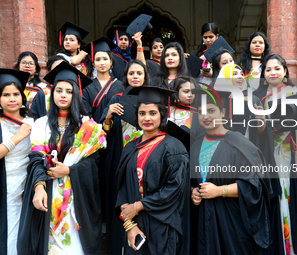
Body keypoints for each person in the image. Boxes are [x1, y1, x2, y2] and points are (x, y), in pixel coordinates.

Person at [17, 62, 105, 255]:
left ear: (76, 95)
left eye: (69, 91)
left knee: (74, 246)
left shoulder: (87, 126)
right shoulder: (41, 124)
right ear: (52, 93)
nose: (63, 95)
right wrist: (39, 186)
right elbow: (36, 158)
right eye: (59, 90)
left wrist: (69, 170)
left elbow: (93, 163)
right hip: (49, 192)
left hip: (78, 197)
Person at [190, 87, 270, 255]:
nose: (206, 116)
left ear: (223, 112)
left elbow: (253, 185)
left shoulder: (239, 143)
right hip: (203, 222)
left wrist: (219, 191)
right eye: (201, 111)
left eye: (211, 110)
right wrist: (192, 192)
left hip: (231, 223)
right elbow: (190, 182)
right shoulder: (195, 145)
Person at [115, 86, 189, 254]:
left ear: (162, 115)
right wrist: (129, 225)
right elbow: (122, 187)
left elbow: (174, 190)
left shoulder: (173, 147)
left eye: (152, 113)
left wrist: (139, 206)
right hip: (134, 226)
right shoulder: (130, 147)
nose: (147, 118)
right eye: (142, 113)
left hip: (162, 225)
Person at [254, 54, 297, 255]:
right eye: (268, 69)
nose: (272, 72)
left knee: (284, 197)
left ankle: (287, 248)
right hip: (264, 155)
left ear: (285, 71)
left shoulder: (295, 94)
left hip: (284, 154)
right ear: (263, 74)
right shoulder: (257, 96)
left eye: (277, 68)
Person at [98, 59, 150, 255]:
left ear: (145, 76)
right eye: (131, 73)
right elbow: (103, 134)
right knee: (121, 204)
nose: (135, 76)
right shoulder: (115, 99)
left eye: (139, 73)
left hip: (146, 161)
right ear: (125, 76)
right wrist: (109, 116)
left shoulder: (152, 98)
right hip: (120, 160)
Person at [0, 69, 33, 255]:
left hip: (28, 187)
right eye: (6, 95)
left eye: (16, 94)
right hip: (6, 187)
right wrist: (18, 137)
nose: (12, 99)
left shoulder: (34, 123)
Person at [82, 37, 124, 122]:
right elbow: (85, 113)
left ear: (111, 62)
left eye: (105, 59)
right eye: (98, 59)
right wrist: (96, 131)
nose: (102, 63)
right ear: (93, 64)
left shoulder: (120, 85)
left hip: (116, 131)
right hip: (93, 132)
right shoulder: (87, 86)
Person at [30, 55, 67, 120]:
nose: (60, 70)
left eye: (63, 67)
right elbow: (34, 117)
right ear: (50, 71)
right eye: (56, 67)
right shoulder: (42, 93)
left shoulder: (73, 91)